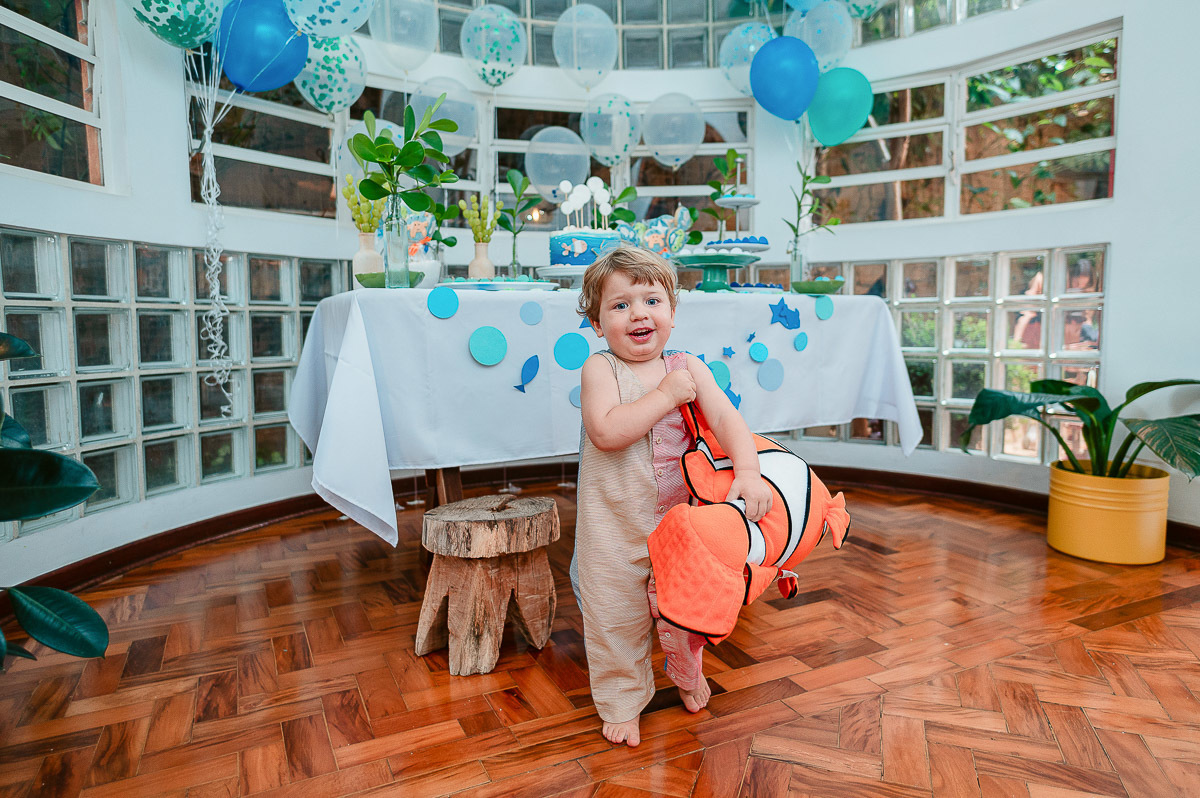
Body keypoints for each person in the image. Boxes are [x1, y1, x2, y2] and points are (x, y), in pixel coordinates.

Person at [571, 247, 773, 748]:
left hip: (682, 522)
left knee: (687, 606)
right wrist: (664, 396)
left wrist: (748, 471)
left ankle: (686, 669)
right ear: (597, 323)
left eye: (651, 301)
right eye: (620, 305)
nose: (638, 314)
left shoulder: (688, 368)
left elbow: (726, 420)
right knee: (615, 616)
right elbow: (606, 432)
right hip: (612, 528)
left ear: (672, 312)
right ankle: (622, 700)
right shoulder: (600, 369)